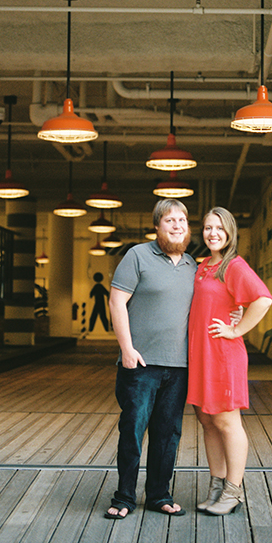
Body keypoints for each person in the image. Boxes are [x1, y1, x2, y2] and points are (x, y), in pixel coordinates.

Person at [105, 198, 197, 520]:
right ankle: (124, 496)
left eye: (182, 221)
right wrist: (127, 349)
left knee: (168, 433)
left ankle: (159, 494)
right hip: (140, 364)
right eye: (169, 220)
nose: (176, 226)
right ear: (157, 226)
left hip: (179, 366)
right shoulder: (137, 256)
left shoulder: (192, 267)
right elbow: (117, 303)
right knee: (132, 430)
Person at [187, 206, 272, 516]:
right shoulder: (203, 266)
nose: (213, 233)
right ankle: (217, 485)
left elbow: (262, 299)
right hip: (200, 355)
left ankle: (233, 491)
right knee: (207, 421)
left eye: (219, 228)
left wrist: (237, 328)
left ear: (230, 233)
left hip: (223, 355)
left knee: (226, 421)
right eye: (208, 228)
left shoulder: (233, 265)